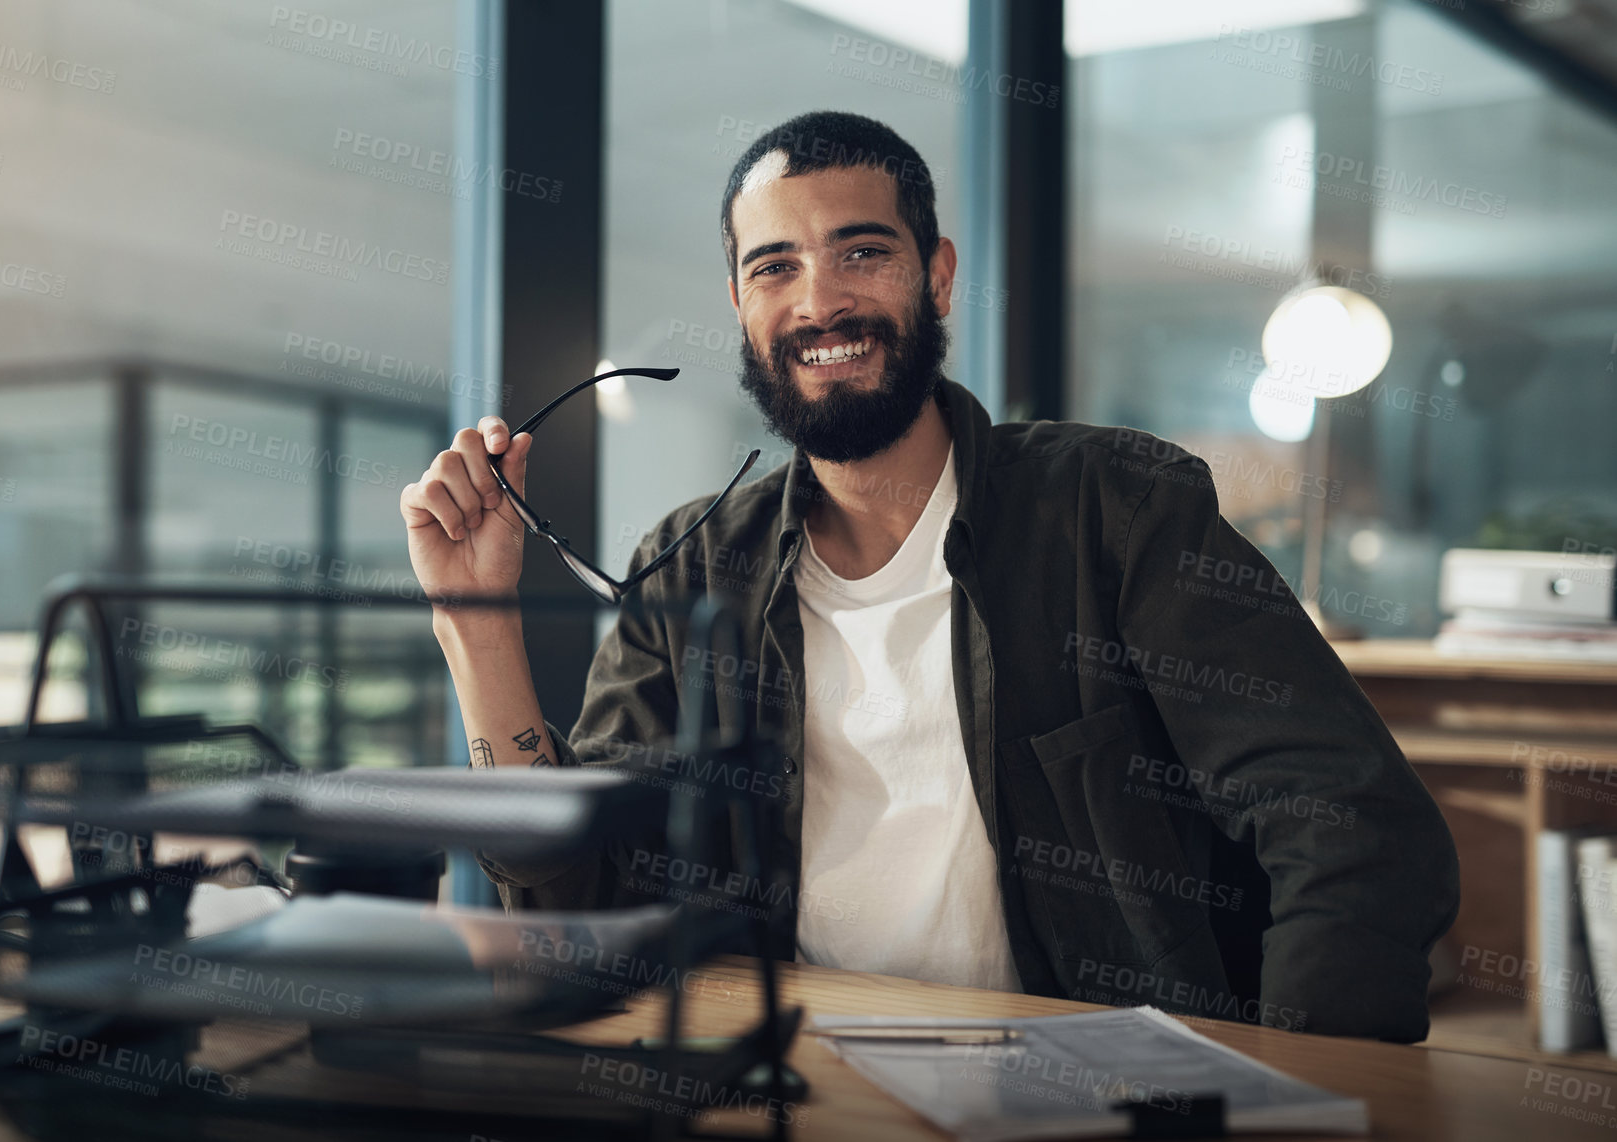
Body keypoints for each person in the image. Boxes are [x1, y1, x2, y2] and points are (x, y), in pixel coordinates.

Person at [399, 110, 1458, 1042]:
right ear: (738, 301)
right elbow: (570, 894)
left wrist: (1300, 1090)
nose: (819, 300)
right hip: (793, 1071)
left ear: (937, 272)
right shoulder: (693, 568)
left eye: (861, 252)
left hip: (1096, 1085)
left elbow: (1351, 821)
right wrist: (475, 620)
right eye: (776, 266)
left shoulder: (1113, 508)